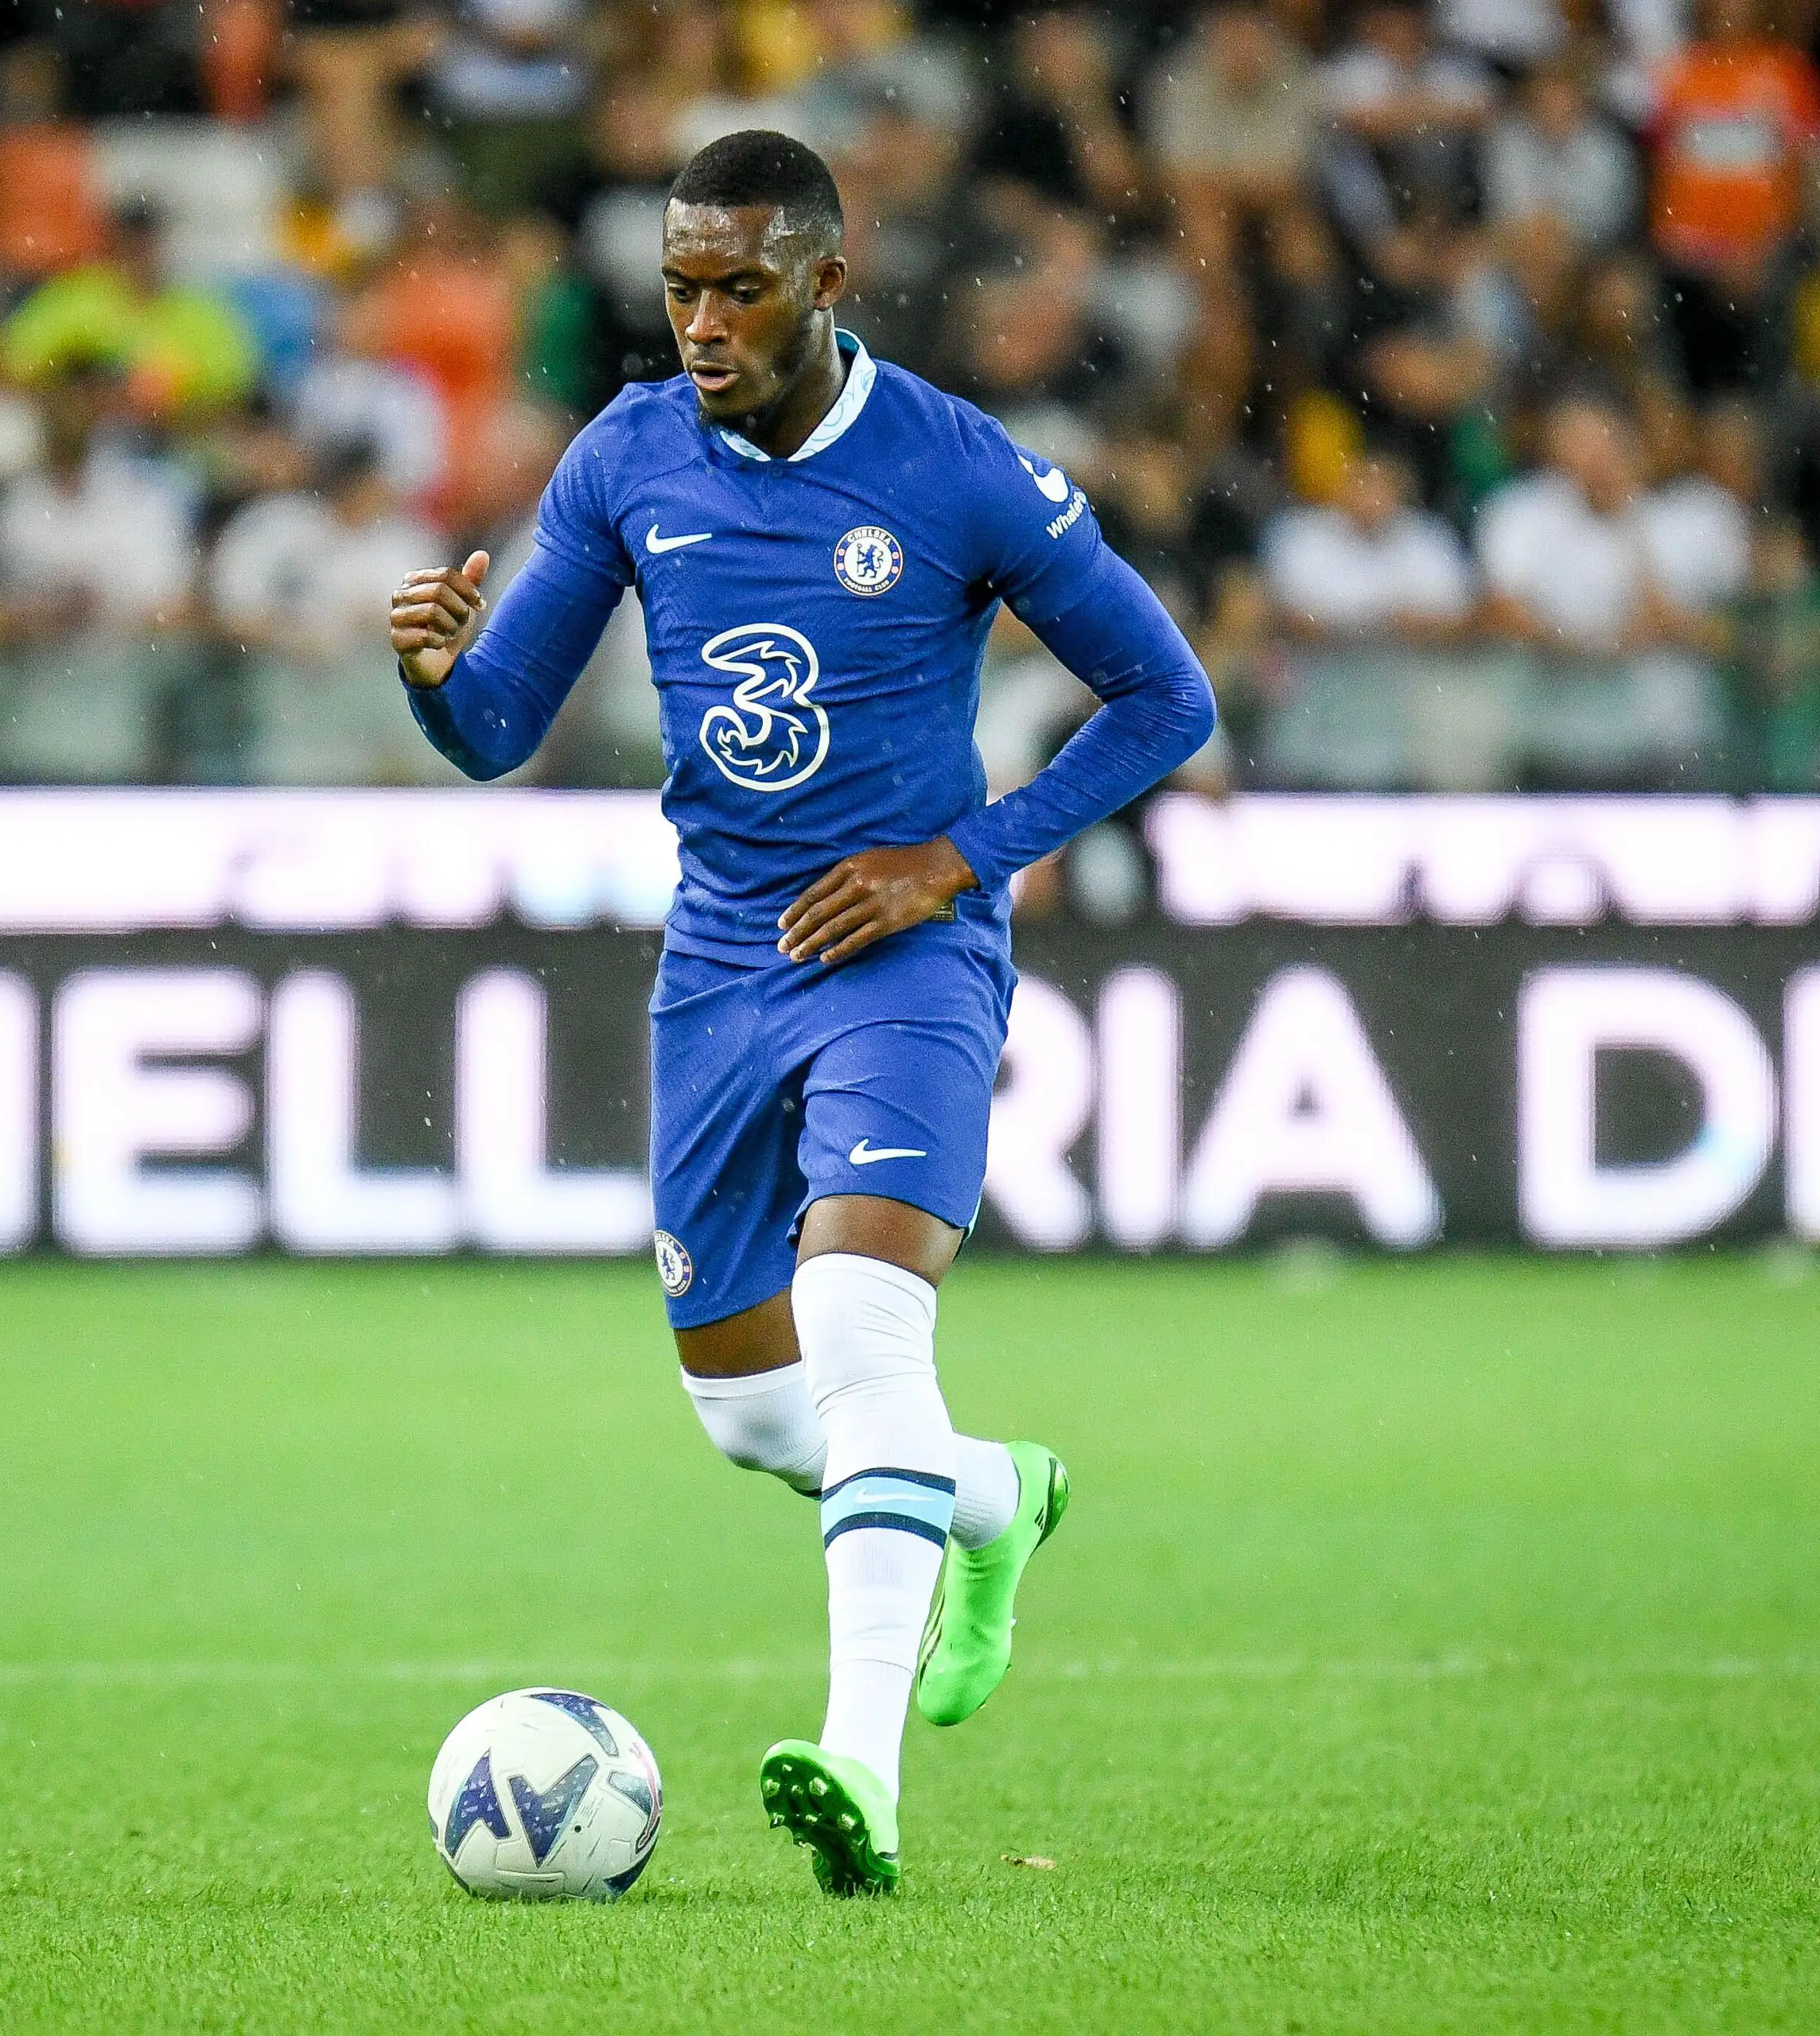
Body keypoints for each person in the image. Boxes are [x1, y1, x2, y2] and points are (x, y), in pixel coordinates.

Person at [383, 130, 1215, 1896]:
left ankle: (860, 1766)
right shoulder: (626, 455)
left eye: (736, 286)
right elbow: (500, 726)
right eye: (678, 284)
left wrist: (962, 859)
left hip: (907, 955)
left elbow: (1166, 695)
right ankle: (996, 1499)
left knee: (862, 1323)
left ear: (828, 282)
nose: (698, 319)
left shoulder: (958, 472)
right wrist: (433, 675)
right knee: (762, 1419)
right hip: (720, 962)